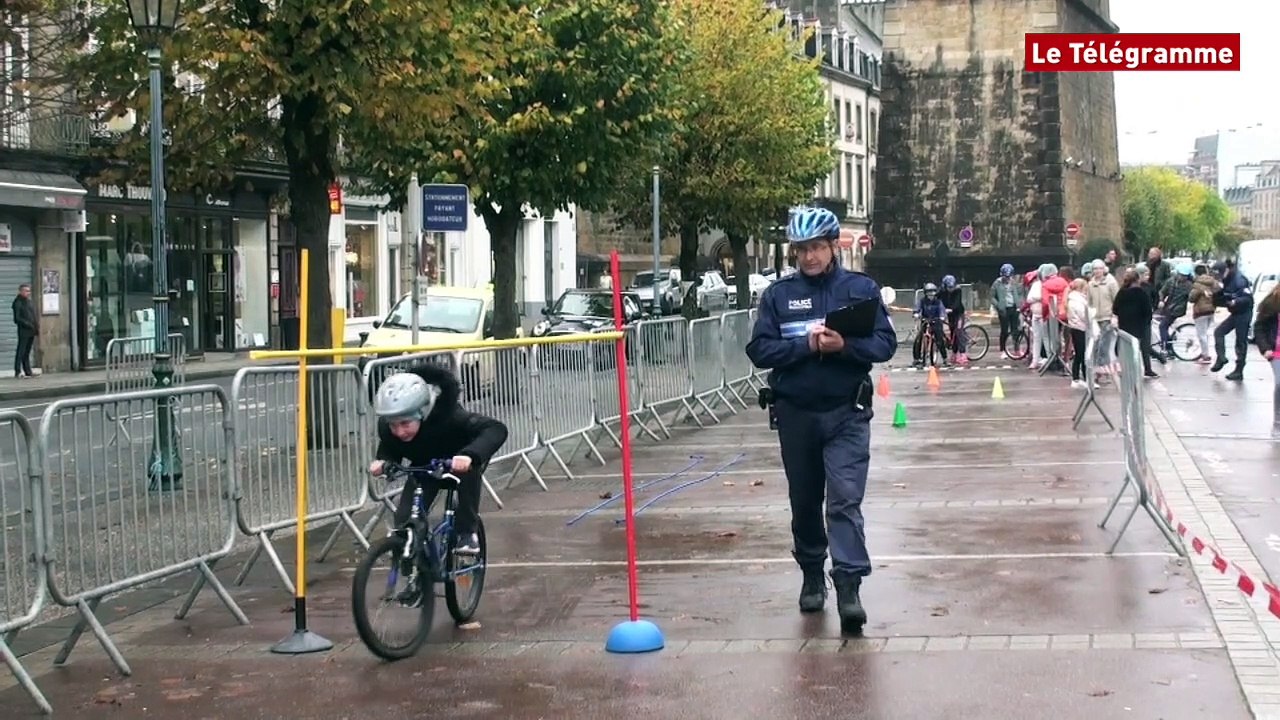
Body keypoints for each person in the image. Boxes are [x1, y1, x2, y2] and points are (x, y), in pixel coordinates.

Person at [745, 206, 897, 634]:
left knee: (845, 500)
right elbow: (760, 351)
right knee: (805, 501)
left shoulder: (860, 288)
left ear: (834, 247)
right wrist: (807, 348)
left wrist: (844, 345)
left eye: (816, 248)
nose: (809, 257)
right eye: (801, 250)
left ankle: (848, 584)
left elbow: (885, 343)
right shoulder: (778, 295)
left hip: (846, 412)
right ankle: (812, 571)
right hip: (796, 414)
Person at [368, 364, 509, 560]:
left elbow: (496, 429)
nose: (399, 432)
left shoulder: (452, 419)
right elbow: (390, 447)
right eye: (393, 425)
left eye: (406, 424)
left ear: (422, 413)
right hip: (425, 464)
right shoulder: (388, 428)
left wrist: (469, 455)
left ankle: (467, 533)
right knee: (405, 518)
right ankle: (418, 567)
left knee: (466, 478)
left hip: (460, 459)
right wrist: (384, 462)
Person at [1210, 259, 1254, 381]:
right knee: (1219, 332)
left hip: (1244, 313)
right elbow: (1224, 298)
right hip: (1235, 312)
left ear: (1227, 270)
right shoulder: (1226, 280)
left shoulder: (1239, 280)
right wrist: (1216, 296)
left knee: (1240, 341)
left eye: (1220, 274)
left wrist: (1235, 301)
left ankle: (1239, 370)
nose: (1219, 278)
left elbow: (1248, 299)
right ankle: (1221, 358)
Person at [1113, 268, 1158, 378]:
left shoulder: (1122, 293)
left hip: (1124, 326)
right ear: (1137, 280)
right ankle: (1141, 370)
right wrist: (1146, 321)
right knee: (1140, 349)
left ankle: (1126, 369)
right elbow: (1147, 311)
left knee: (1126, 349)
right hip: (1140, 326)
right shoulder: (1141, 293)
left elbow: (1115, 309)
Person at [1251, 282, 1279, 438]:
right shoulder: (1272, 303)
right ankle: (1277, 423)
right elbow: (1260, 327)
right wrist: (1265, 348)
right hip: (1277, 352)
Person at [1156, 262, 1194, 355]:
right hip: (1168, 307)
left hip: (1177, 310)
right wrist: (1161, 300)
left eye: (1185, 276)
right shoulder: (1171, 281)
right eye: (1181, 275)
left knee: (1162, 326)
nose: (1182, 277)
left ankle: (1165, 348)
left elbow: (1191, 298)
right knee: (1165, 326)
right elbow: (1162, 291)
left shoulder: (1189, 285)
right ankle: (1169, 347)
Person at [1187, 264, 1219, 363]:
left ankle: (1205, 356)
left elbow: (1191, 298)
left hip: (1200, 311)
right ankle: (1204, 352)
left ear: (1196, 273)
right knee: (1205, 333)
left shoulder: (1197, 284)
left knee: (1202, 334)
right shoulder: (1214, 282)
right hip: (1211, 310)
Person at [912, 282, 948, 367]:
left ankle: (945, 358)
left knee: (939, 339)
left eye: (933, 292)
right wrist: (916, 313)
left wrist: (942, 316)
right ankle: (916, 359)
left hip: (936, 322)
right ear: (925, 293)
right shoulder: (922, 301)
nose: (931, 294)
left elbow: (942, 310)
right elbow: (917, 307)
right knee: (918, 339)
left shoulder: (938, 302)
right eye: (929, 292)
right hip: (925, 321)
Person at [992, 263, 1021, 358]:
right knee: (1004, 330)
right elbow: (992, 297)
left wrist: (1019, 305)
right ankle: (1003, 350)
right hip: (1003, 309)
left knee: (1015, 330)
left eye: (1009, 276)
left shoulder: (1014, 283)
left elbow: (1019, 294)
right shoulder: (997, 283)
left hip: (1014, 308)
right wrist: (998, 306)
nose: (1007, 278)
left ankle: (1017, 349)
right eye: (1005, 276)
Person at [1066, 278, 1091, 388]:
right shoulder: (1077, 301)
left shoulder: (1074, 299)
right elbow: (1083, 315)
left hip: (1077, 328)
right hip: (1080, 328)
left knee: (1080, 354)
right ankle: (1079, 378)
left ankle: (1079, 377)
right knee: (1081, 354)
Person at [937, 275, 967, 364]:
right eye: (949, 287)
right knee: (952, 333)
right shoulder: (942, 291)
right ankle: (954, 353)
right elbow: (935, 298)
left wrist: (951, 309)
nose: (951, 289)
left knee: (958, 331)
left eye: (952, 287)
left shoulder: (958, 290)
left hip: (958, 313)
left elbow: (957, 303)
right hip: (950, 314)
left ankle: (963, 353)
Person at [11, 284, 36, 379]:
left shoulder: (28, 302)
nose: (28, 293)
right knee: (21, 351)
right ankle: (17, 371)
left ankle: (28, 371)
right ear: (20, 291)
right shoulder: (17, 302)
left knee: (27, 352)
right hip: (23, 330)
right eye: (25, 291)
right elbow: (17, 318)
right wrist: (27, 324)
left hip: (31, 330)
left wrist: (35, 327)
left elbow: (32, 315)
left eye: (29, 291)